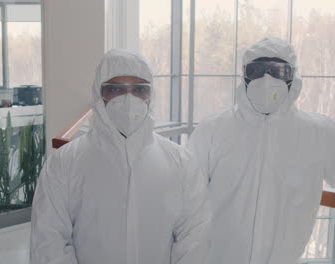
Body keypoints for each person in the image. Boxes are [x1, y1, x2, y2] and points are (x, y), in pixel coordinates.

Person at [187, 36, 335, 264]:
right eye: (257, 70)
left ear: (293, 76)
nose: (266, 79)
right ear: (244, 74)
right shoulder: (213, 130)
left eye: (278, 71)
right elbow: (186, 195)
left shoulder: (320, 134)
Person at [30, 49, 209, 264]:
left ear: (150, 95)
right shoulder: (64, 163)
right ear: (98, 93)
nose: (128, 99)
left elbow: (194, 238)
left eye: (139, 89)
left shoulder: (181, 162)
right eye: (115, 89)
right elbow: (49, 240)